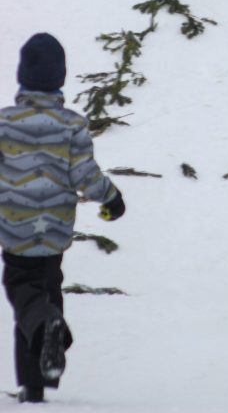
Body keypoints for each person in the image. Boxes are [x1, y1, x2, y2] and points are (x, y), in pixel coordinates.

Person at [0, 34, 125, 404]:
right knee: (47, 297)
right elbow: (84, 174)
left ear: (22, 74)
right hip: (54, 232)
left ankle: (40, 357)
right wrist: (111, 199)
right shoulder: (72, 125)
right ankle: (37, 384)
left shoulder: (4, 123)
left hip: (15, 229)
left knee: (26, 297)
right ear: (61, 77)